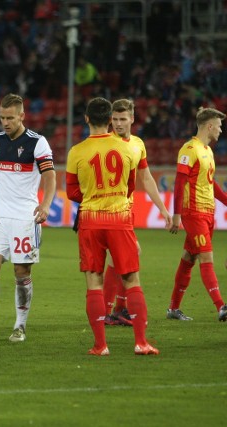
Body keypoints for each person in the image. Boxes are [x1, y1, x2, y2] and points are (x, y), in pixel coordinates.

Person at [66, 97, 159, 356]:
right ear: (110, 120)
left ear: (86, 119)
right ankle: (141, 342)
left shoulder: (77, 151)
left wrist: (93, 195)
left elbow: (72, 191)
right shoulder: (128, 148)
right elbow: (130, 186)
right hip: (120, 219)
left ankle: (100, 345)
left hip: (91, 221)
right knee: (132, 280)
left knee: (93, 282)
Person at [0, 93, 56, 343]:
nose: (5, 122)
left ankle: (20, 326)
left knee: (21, 272)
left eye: (10, 118)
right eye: (2, 117)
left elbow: (50, 177)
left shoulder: (37, 142)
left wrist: (45, 205)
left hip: (24, 216)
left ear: (22, 116)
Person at [103, 99, 173, 326]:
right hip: (109, 210)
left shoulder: (138, 144)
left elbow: (146, 177)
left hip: (127, 210)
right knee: (129, 255)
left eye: (123, 119)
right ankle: (112, 310)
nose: (118, 123)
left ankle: (114, 310)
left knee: (120, 259)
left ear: (132, 119)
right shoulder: (104, 143)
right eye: (115, 119)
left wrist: (162, 208)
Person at [168, 107, 227, 322]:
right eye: (219, 126)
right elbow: (179, 182)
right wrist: (176, 215)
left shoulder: (208, 151)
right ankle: (221, 306)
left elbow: (211, 185)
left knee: (188, 258)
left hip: (208, 213)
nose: (221, 130)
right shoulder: (189, 149)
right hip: (193, 213)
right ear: (210, 126)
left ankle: (173, 309)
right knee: (206, 256)